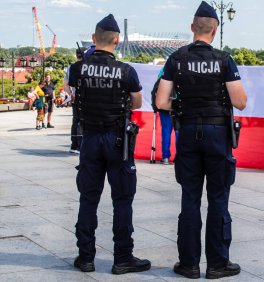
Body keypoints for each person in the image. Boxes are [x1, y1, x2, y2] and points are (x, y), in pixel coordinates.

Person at [156, 1, 247, 279]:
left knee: (190, 198)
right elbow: (240, 102)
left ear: (192, 28)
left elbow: (161, 101)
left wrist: (185, 107)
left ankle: (189, 264)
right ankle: (218, 263)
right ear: (214, 28)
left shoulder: (176, 59)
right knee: (218, 198)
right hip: (218, 133)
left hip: (188, 134)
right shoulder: (224, 59)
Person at [68, 14, 151, 274]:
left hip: (90, 138)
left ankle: (85, 257)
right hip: (118, 140)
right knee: (123, 200)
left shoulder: (77, 68)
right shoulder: (127, 71)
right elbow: (137, 103)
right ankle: (123, 257)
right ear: (116, 40)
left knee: (88, 199)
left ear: (94, 39)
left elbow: (73, 94)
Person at [151, 68, 176, 165]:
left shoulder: (164, 69)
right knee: (179, 133)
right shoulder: (182, 67)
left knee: (166, 132)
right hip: (178, 107)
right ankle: (180, 157)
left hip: (164, 107)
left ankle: (165, 157)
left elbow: (157, 86)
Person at [64, 47, 86, 154]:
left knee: (75, 121)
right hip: (83, 98)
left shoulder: (70, 68)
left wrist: (71, 94)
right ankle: (80, 145)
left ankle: (74, 144)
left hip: (74, 98)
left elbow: (65, 85)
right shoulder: (85, 67)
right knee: (82, 122)